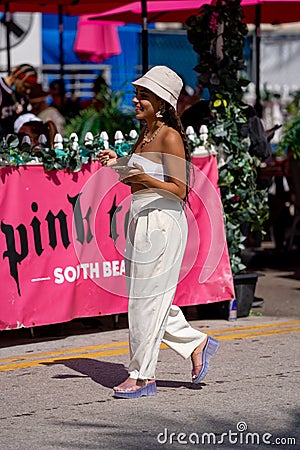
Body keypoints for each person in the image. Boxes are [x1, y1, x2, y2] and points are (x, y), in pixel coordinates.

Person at [99, 65, 219, 399]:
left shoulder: (169, 135)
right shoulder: (147, 133)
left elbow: (179, 189)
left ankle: (142, 376)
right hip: (141, 218)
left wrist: (138, 177)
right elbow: (144, 171)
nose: (136, 100)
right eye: (137, 94)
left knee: (145, 304)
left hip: (163, 223)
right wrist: (120, 163)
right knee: (145, 300)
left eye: (144, 96)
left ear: (162, 102)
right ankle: (197, 343)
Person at [0, 63, 38, 139]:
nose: (28, 91)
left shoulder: (22, 96)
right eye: (25, 87)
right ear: (16, 78)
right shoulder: (1, 89)